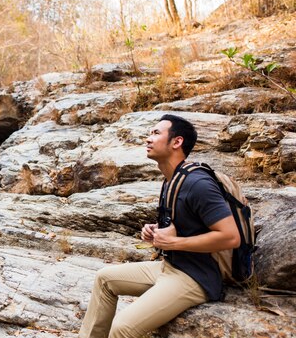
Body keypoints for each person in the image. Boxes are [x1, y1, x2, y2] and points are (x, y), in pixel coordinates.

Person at [78, 114, 241, 338]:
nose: (148, 138)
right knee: (104, 279)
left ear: (177, 142)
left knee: (122, 328)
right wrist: (155, 230)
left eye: (156, 133)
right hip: (170, 267)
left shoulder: (199, 184)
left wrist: (174, 242)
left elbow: (231, 237)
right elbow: (187, 224)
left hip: (194, 277)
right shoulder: (171, 179)